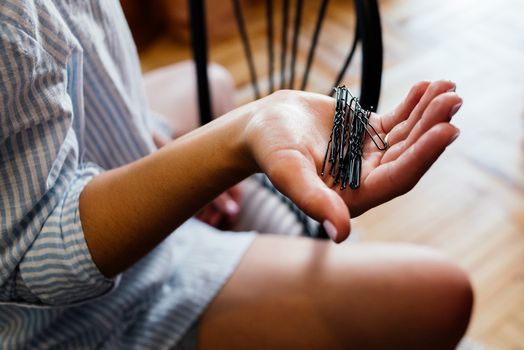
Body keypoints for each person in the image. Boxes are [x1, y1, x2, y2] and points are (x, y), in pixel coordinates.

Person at [0, 1, 472, 349]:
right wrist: (223, 149)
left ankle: (254, 227)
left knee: (215, 82)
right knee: (442, 292)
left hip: (96, 154)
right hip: (62, 314)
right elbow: (32, 259)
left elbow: (75, 77)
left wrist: (151, 143)